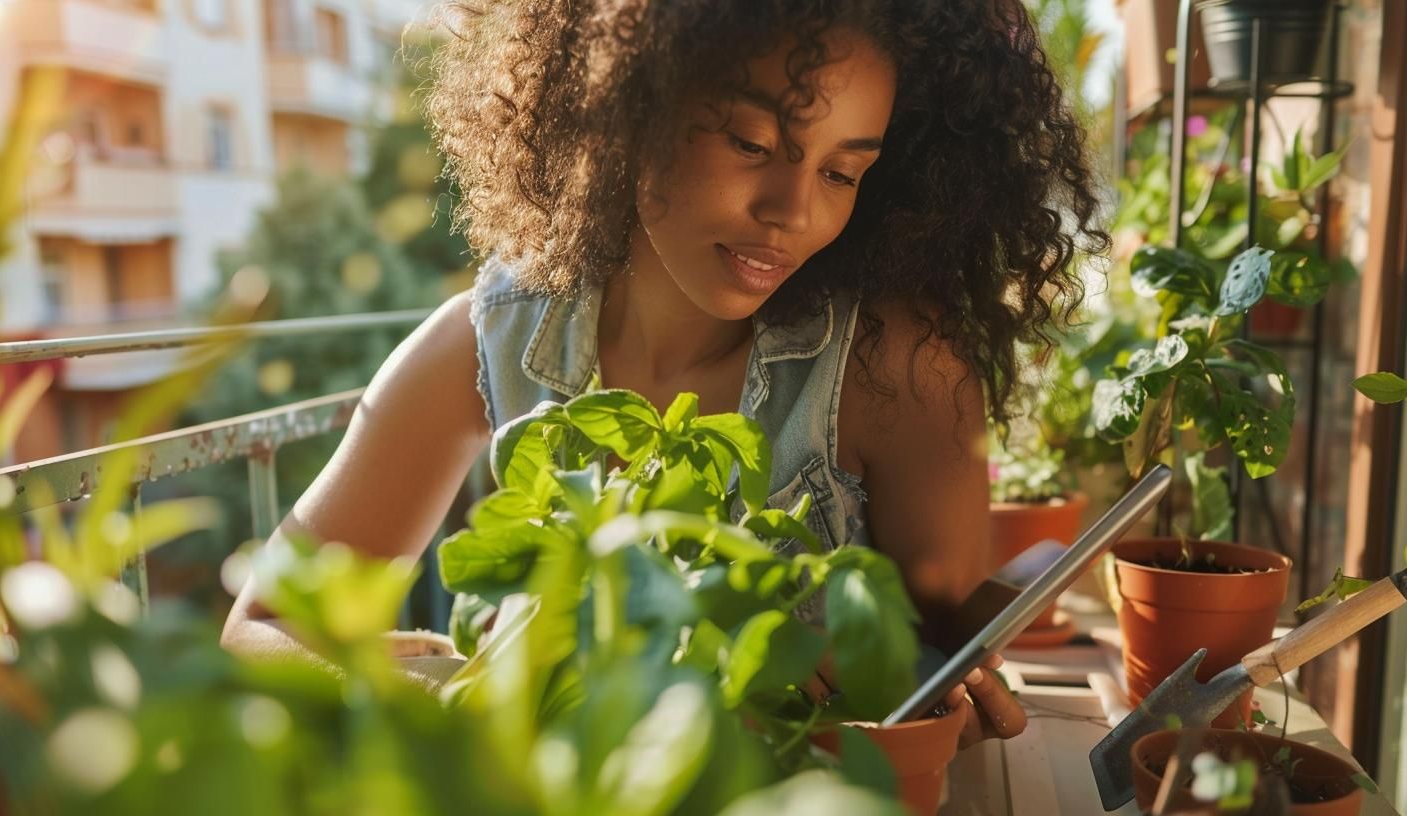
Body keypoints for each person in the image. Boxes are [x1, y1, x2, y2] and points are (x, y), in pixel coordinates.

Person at [222, 0, 1109, 751]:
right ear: (626, 103)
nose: (793, 214)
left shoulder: (899, 366)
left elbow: (940, 650)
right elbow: (262, 629)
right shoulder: (496, 338)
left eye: (843, 172)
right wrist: (455, 705)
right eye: (754, 143)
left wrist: (927, 678)